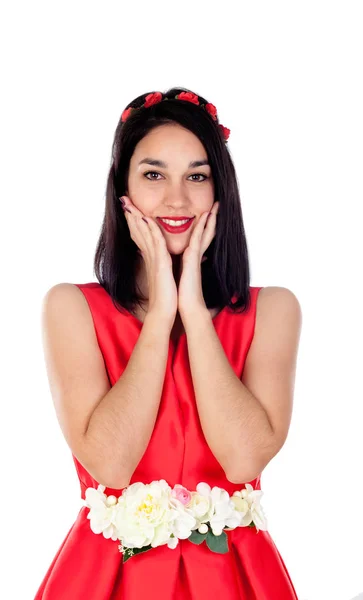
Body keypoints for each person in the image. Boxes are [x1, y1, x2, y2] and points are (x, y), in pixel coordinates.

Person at [35, 86, 302, 599]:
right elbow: (110, 464)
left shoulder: (273, 310)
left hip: (236, 579)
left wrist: (194, 315)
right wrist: (159, 313)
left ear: (220, 189)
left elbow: (243, 460)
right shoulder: (70, 308)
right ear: (123, 190)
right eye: (153, 175)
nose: (176, 199)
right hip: (106, 579)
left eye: (197, 176)